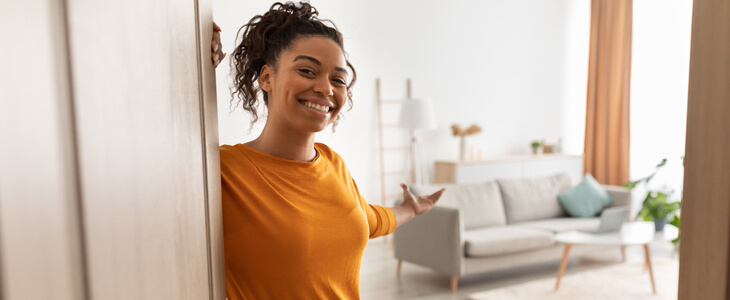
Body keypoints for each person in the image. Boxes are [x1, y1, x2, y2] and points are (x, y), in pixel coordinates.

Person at [212, 2, 445, 299]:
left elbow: (365, 220)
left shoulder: (333, 164)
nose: (326, 89)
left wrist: (410, 209)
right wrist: (186, 57)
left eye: (338, 80)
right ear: (267, 77)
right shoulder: (224, 170)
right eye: (308, 71)